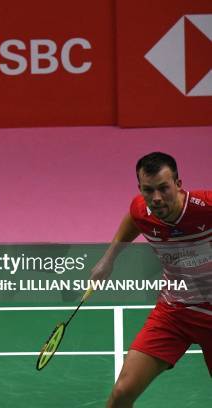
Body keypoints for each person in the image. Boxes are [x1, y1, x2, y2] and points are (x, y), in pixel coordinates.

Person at [89, 152, 211, 407]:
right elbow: (133, 221)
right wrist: (108, 259)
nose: (156, 198)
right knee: (122, 392)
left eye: (164, 188)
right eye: (149, 190)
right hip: (174, 313)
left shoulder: (206, 207)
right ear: (140, 189)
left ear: (178, 185)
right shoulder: (141, 209)